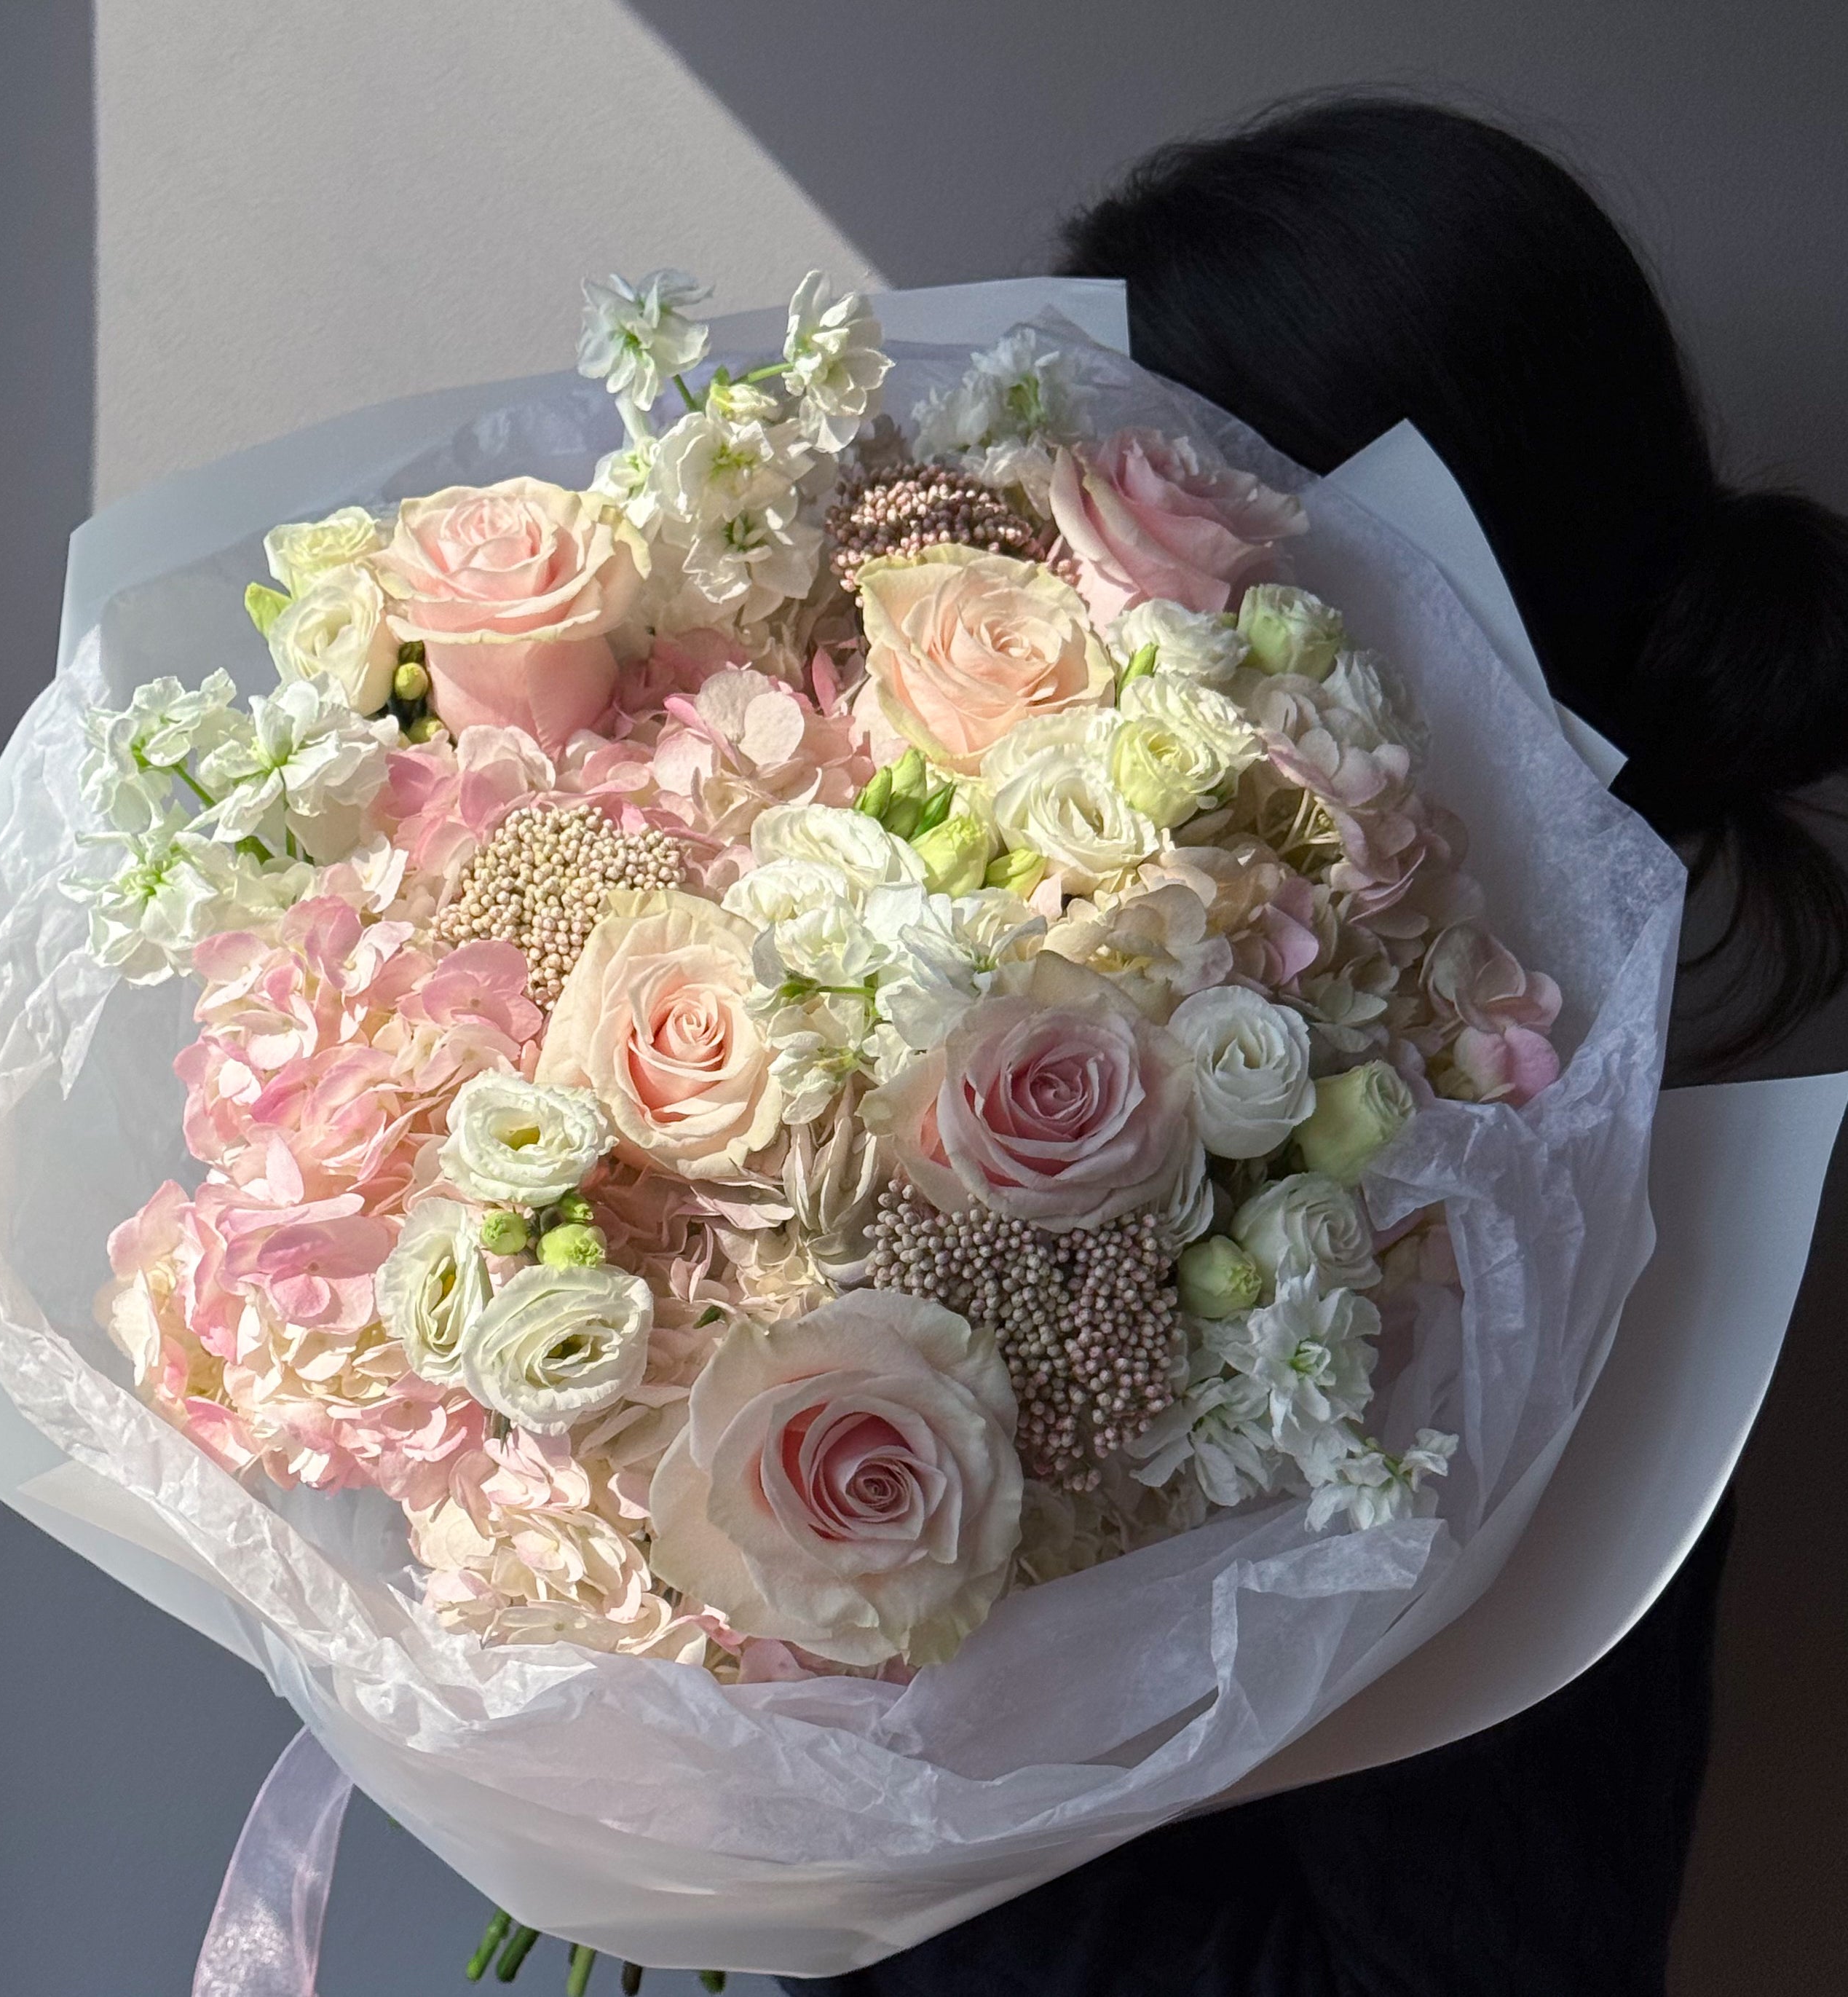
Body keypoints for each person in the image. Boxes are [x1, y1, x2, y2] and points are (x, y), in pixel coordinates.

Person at [791, 97, 1848, 1997]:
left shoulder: (1516, 1279)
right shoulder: (1093, 1078)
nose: (1077, 600)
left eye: (1143, 526)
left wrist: (831, 1785)